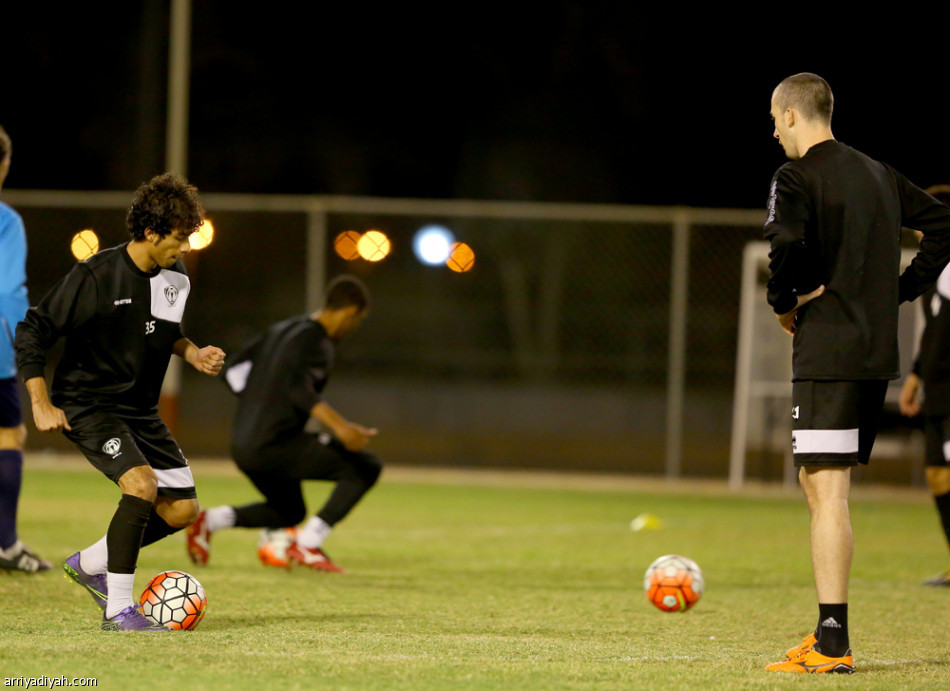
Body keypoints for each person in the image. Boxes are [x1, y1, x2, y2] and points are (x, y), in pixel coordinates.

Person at [762, 73, 950, 673]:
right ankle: (828, 634)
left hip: (829, 353)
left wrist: (784, 302)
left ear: (792, 115)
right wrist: (895, 292)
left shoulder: (796, 175)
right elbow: (943, 226)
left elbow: (786, 240)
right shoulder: (878, 172)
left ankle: (833, 641)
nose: (774, 132)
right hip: (872, 354)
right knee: (821, 487)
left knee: (827, 490)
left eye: (774, 119)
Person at [15, 173, 226, 631]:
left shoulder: (175, 276)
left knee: (182, 510)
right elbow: (33, 330)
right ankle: (119, 609)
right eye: (179, 237)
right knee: (142, 486)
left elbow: (164, 331)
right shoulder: (96, 275)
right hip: (88, 404)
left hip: (139, 409)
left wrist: (192, 352)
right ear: (151, 233)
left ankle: (90, 563)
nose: (186, 247)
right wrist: (40, 401)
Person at [186, 274, 381, 574]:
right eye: (357, 321)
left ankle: (209, 521)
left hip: (244, 443)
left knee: (290, 510)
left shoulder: (283, 329)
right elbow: (297, 388)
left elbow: (234, 371)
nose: (354, 328)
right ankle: (307, 544)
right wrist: (341, 428)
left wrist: (259, 405)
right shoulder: (318, 341)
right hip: (274, 444)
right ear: (350, 312)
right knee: (365, 466)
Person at [0, 124, 52, 574]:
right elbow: (8, 289)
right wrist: (21, 342)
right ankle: (7, 545)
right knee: (8, 436)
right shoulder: (6, 221)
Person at [899, 184, 950, 587]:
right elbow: (935, 331)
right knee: (937, 475)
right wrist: (916, 374)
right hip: (937, 388)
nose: (917, 231)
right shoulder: (935, 273)